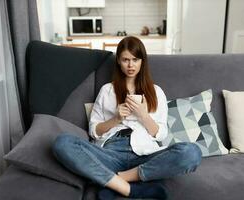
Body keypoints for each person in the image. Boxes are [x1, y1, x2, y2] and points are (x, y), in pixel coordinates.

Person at [52, 36, 202, 200]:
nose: (130, 65)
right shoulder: (107, 90)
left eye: (135, 60)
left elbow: (161, 134)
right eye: (125, 60)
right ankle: (132, 189)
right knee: (63, 143)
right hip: (110, 154)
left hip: (145, 155)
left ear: (142, 61)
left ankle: (116, 180)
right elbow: (94, 131)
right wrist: (116, 118)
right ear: (118, 61)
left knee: (192, 152)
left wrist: (144, 116)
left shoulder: (155, 91)